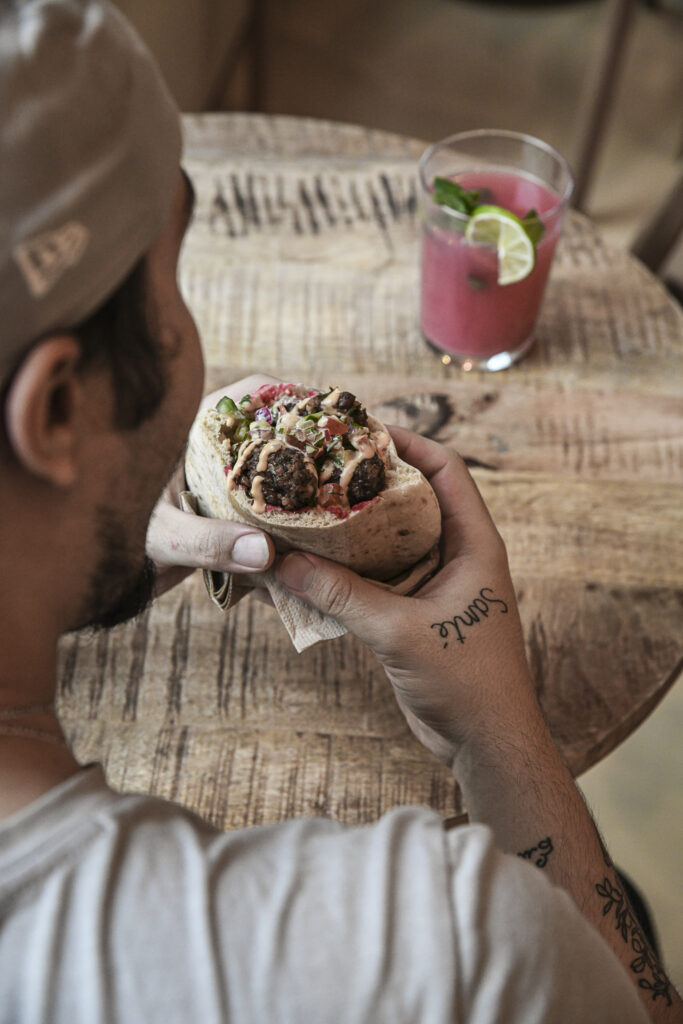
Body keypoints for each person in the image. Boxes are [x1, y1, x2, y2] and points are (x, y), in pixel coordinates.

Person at [0, 2, 677, 1021]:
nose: (191, 335)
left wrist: (91, 558)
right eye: (171, 285)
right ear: (54, 411)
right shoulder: (447, 950)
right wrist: (498, 733)